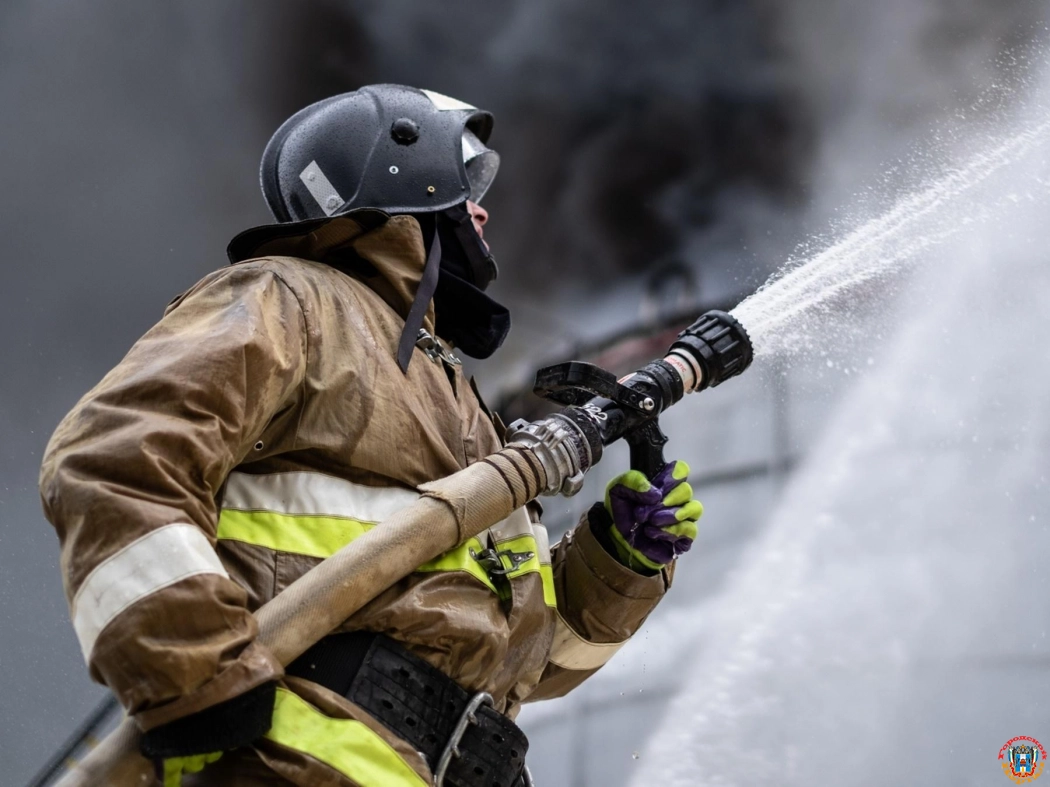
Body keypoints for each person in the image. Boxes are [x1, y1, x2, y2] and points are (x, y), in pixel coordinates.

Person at [40, 85, 703, 787]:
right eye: (465, 178)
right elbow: (114, 459)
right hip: (293, 765)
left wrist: (616, 564)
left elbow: (527, 664)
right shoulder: (290, 298)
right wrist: (192, 676)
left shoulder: (458, 398)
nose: (482, 208)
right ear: (401, 173)